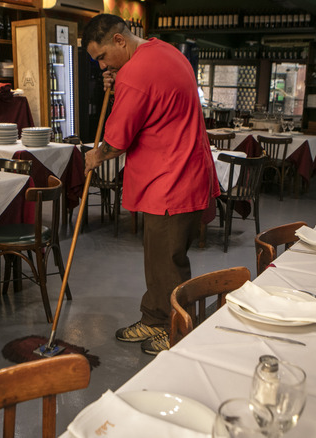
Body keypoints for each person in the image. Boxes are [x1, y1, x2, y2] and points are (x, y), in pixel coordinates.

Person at [82, 14, 220, 355]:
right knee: (159, 260)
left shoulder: (135, 73)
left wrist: (96, 155)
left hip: (171, 181)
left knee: (169, 264)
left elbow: (117, 140)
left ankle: (177, 331)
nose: (102, 66)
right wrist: (119, 85)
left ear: (119, 40)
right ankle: (155, 318)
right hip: (185, 174)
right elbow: (151, 104)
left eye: (102, 57)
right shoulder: (164, 51)